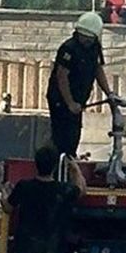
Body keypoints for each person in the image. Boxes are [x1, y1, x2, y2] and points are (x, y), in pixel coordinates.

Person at [2, 146, 85, 253]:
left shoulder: (24, 187)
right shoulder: (63, 190)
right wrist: (75, 169)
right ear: (54, 167)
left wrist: (4, 193)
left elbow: (8, 207)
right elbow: (81, 189)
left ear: (36, 164)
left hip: (25, 251)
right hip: (53, 252)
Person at [46, 12, 113, 157]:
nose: (86, 41)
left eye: (90, 38)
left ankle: (70, 160)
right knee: (62, 136)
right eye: (84, 37)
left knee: (74, 134)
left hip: (79, 100)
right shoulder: (69, 48)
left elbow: (97, 69)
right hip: (61, 99)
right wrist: (70, 103)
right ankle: (60, 165)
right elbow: (62, 76)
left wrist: (109, 93)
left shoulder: (94, 47)